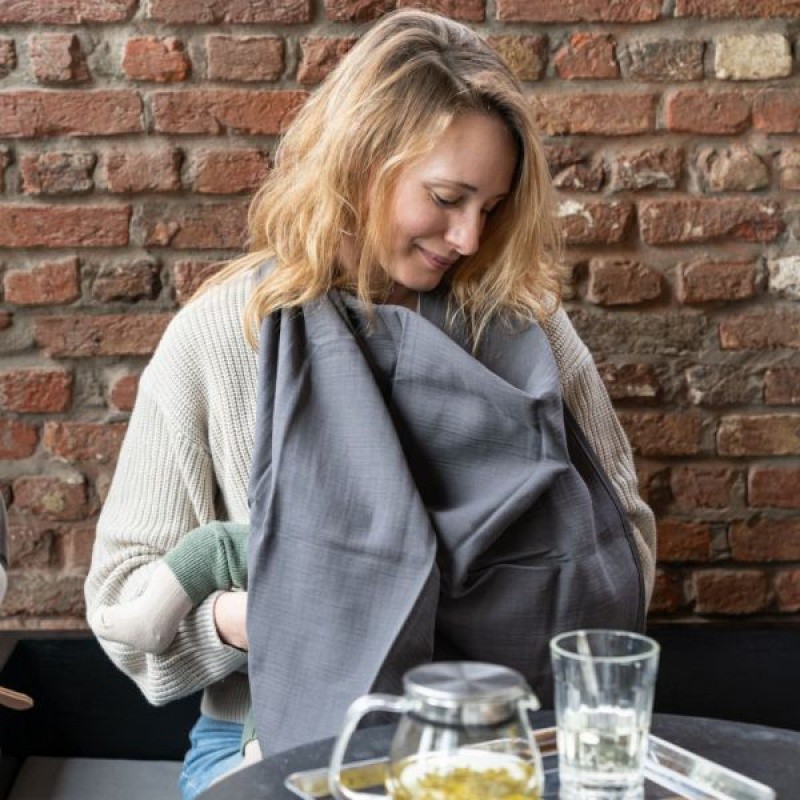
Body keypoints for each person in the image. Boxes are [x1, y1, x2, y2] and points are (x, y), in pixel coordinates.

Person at [85, 9, 656, 799]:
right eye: (447, 197)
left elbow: (622, 543)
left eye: (490, 208)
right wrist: (270, 618)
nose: (468, 237)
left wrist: (440, 617)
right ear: (362, 158)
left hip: (497, 733)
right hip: (271, 735)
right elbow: (121, 607)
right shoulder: (224, 335)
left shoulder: (526, 332)